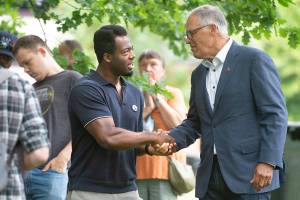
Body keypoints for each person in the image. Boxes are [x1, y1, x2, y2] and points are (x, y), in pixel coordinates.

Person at [152, 4, 288, 200]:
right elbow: (194, 122)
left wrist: (269, 162)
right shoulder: (198, 74)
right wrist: (170, 139)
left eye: (191, 33)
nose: (187, 40)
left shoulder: (254, 60)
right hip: (210, 179)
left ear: (213, 29)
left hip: (250, 177)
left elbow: (275, 115)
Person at [66, 25, 175, 200]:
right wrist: (153, 137)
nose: (132, 55)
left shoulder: (134, 92)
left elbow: (134, 140)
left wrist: (150, 148)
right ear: (107, 57)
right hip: (90, 191)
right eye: (125, 52)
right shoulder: (86, 89)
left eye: (131, 49)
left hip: (129, 190)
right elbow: (108, 137)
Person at [13, 35, 82, 200]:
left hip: (52, 173)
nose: (26, 70)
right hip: (24, 172)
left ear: (42, 51)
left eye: (28, 62)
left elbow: (88, 124)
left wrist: (64, 157)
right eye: (22, 66)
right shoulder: (30, 88)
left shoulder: (73, 79)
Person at [0, 31, 49, 199]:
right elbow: (39, 153)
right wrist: (11, 165)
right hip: (8, 190)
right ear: (9, 60)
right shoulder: (21, 88)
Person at [135, 50, 187, 200]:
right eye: (143, 65)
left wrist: (157, 99)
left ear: (163, 71)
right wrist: (147, 109)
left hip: (165, 171)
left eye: (153, 64)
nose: (148, 68)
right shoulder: (132, 94)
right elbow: (126, 129)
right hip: (136, 171)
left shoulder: (173, 93)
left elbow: (178, 125)